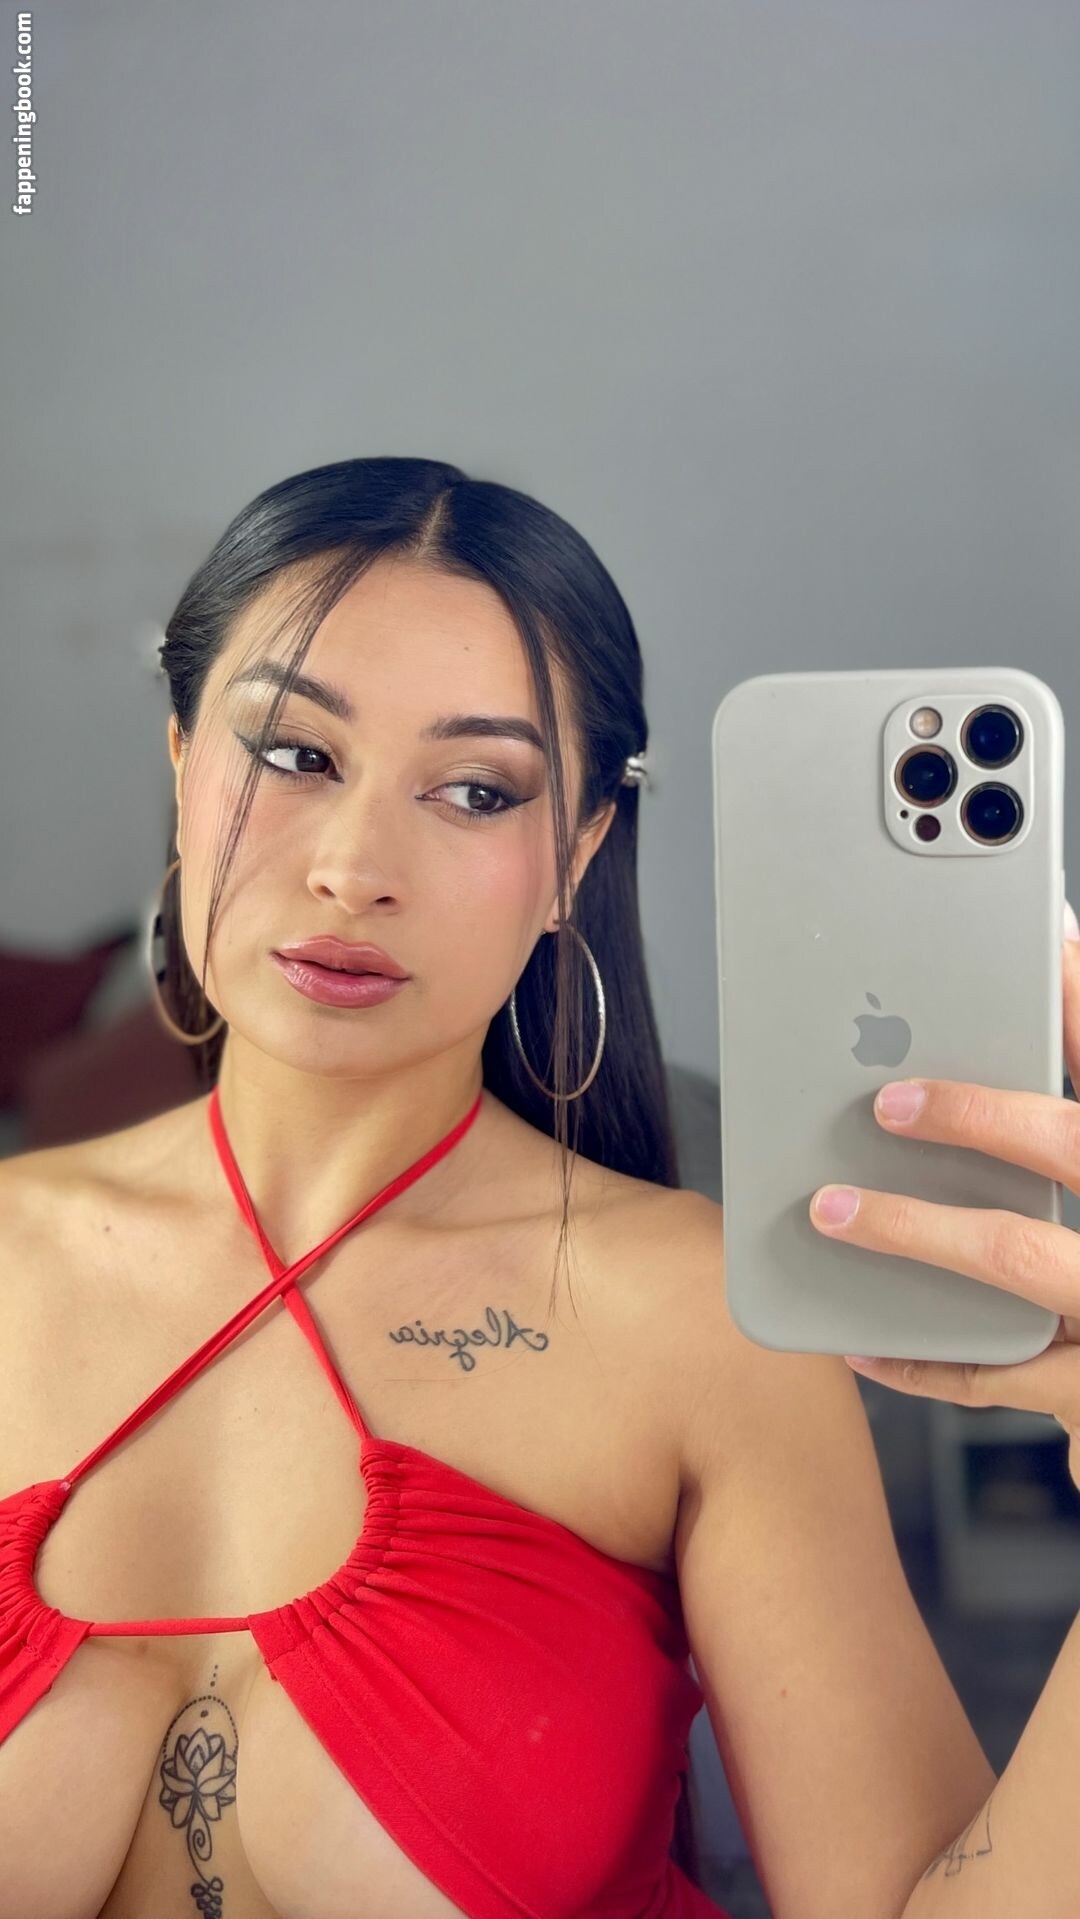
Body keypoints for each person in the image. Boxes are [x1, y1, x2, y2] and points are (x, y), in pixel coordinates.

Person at [1, 454, 1058, 1919]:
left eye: (475, 790)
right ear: (185, 766)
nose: (356, 868)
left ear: (575, 855)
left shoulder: (698, 1324)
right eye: (295, 756)